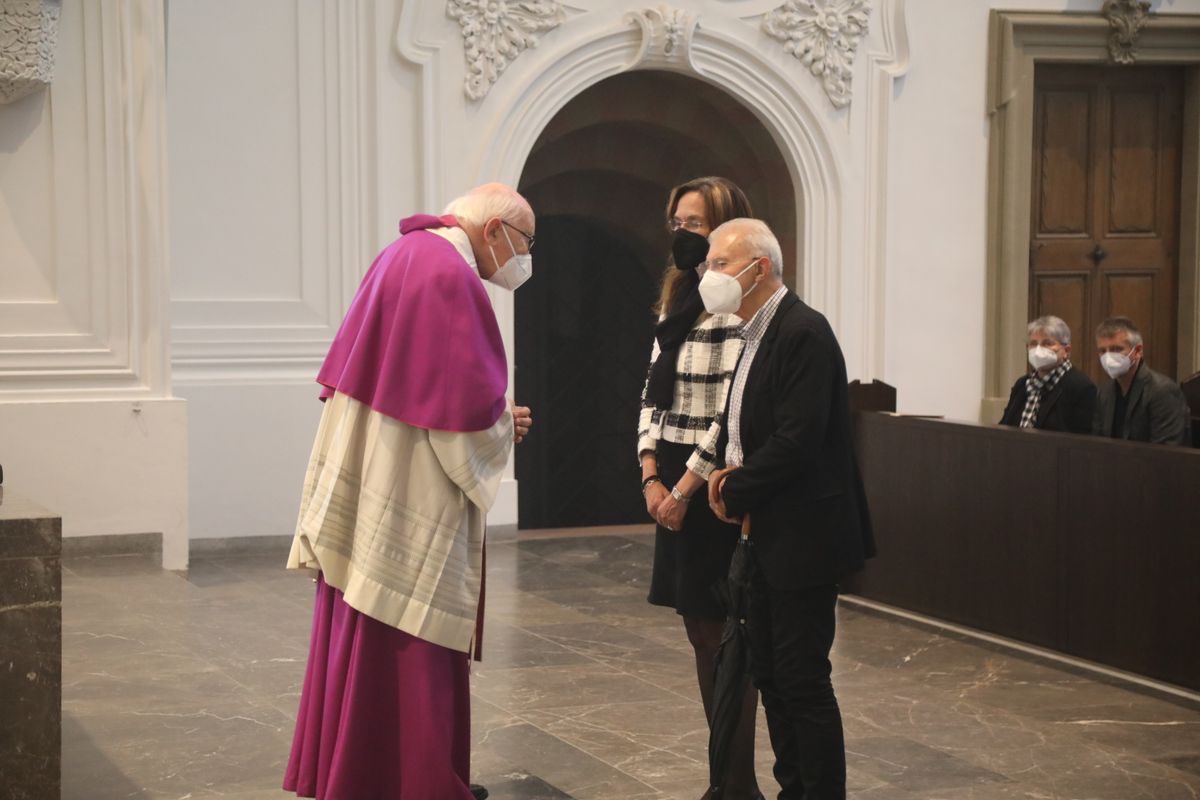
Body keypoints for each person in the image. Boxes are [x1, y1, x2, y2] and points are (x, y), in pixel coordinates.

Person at [283, 183, 535, 800]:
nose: (526, 258)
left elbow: (422, 383)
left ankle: (361, 775)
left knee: (363, 616)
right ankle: (418, 783)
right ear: (496, 229)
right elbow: (461, 415)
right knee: (411, 630)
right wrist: (505, 423)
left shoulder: (406, 254)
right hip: (410, 482)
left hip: (375, 462)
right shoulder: (449, 274)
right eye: (527, 243)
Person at [705, 218, 874, 799]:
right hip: (765, 534)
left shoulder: (803, 332)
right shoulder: (752, 335)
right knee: (772, 676)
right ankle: (794, 789)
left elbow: (797, 441)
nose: (710, 275)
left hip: (804, 535)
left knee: (802, 678)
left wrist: (734, 489)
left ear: (761, 267)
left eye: (721, 263)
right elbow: (743, 429)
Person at [636, 177, 762, 799]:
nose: (683, 236)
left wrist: (685, 487)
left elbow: (733, 410)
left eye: (695, 225)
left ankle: (738, 784)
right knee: (698, 633)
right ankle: (725, 780)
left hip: (715, 477)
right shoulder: (676, 300)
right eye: (677, 224)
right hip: (672, 468)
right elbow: (651, 388)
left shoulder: (739, 305)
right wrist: (649, 469)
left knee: (727, 637)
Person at [1093, 316, 1191, 446]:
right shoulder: (1104, 391)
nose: (1108, 357)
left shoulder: (1163, 391)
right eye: (1102, 351)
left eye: (1116, 349)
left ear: (1138, 351)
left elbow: (1167, 451)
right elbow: (1097, 443)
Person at [999, 315, 1096, 434]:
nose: (1038, 349)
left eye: (1047, 343)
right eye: (1033, 344)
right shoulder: (1023, 384)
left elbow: (1080, 439)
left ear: (1066, 351)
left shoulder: (1081, 387)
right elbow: (1004, 426)